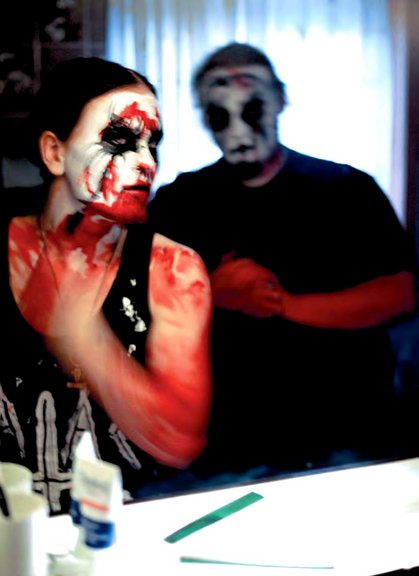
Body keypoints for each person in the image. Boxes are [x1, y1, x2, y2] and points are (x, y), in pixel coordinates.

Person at [145, 42, 417, 491]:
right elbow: (136, 307)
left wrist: (280, 304)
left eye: (252, 109)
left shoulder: (348, 189)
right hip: (228, 445)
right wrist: (209, 293)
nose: (238, 132)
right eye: (219, 114)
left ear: (281, 99)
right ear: (203, 116)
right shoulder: (179, 202)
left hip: (347, 435)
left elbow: (402, 293)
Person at [1, 57, 212, 514]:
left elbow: (179, 439)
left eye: (153, 144)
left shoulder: (173, 269)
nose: (147, 163)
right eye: (119, 140)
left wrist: (83, 334)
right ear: (54, 153)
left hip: (124, 528)